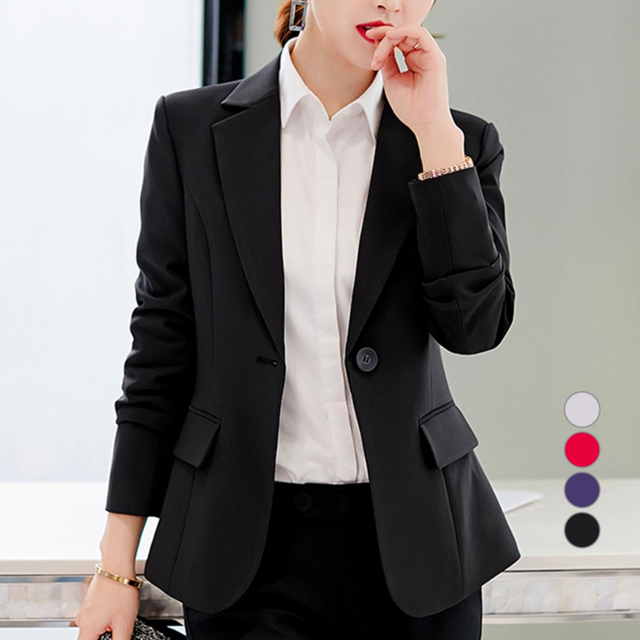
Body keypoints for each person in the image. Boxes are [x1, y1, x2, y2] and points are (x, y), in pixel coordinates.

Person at [74, 0, 520, 637]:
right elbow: (161, 347)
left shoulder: (458, 141)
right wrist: (116, 565)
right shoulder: (191, 129)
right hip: (245, 552)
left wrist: (433, 134)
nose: (391, 1)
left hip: (418, 549)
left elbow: (475, 328)